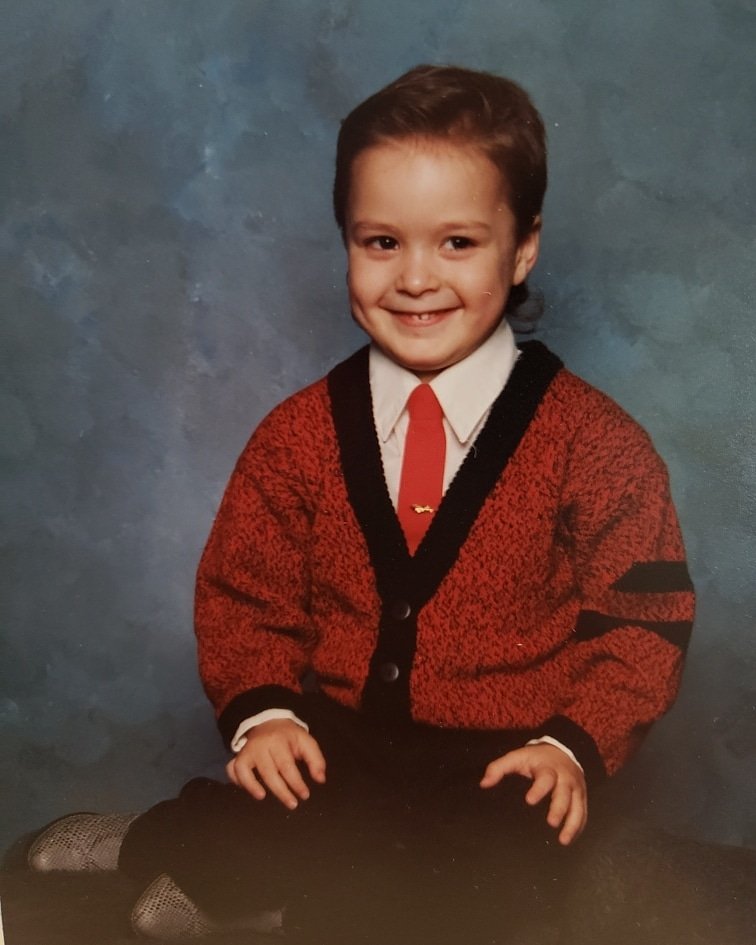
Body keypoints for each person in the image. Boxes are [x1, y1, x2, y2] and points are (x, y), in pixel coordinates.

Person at [27, 65, 695, 944]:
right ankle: (162, 841)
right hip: (337, 743)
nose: (415, 278)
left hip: (506, 770)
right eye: (381, 242)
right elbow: (244, 594)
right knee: (274, 810)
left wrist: (573, 743)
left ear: (523, 246)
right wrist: (263, 713)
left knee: (482, 888)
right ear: (345, 238)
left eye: (457, 243)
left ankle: (262, 897)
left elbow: (643, 619)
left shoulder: (595, 444)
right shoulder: (298, 434)